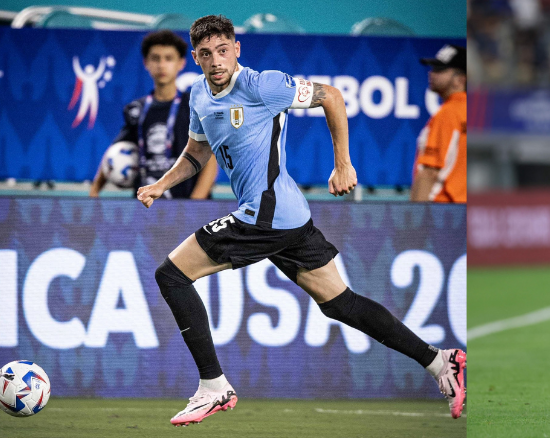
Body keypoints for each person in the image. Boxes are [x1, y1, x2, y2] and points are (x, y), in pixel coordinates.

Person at [136, 15, 466, 426]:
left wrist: (342, 164)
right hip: (288, 216)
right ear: (198, 59)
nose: (216, 60)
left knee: (172, 275)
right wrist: (159, 185)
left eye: (223, 50)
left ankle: (213, 386)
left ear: (237, 49)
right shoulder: (200, 97)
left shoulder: (264, 85)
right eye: (206, 54)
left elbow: (332, 96)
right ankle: (440, 362)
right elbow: (196, 154)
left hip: (266, 214)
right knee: (339, 303)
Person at [90, 30, 218, 199]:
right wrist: (94, 190)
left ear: (181, 63)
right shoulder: (136, 110)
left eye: (168, 58)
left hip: (188, 206)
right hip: (145, 208)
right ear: (146, 63)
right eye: (155, 58)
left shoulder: (195, 106)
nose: (161, 65)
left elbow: (210, 161)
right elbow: (114, 153)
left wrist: (194, 206)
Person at [410, 45, 467, 203]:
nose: (431, 73)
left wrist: (413, 221)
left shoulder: (448, 113)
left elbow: (429, 173)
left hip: (440, 210)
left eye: (440, 69)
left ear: (460, 79)